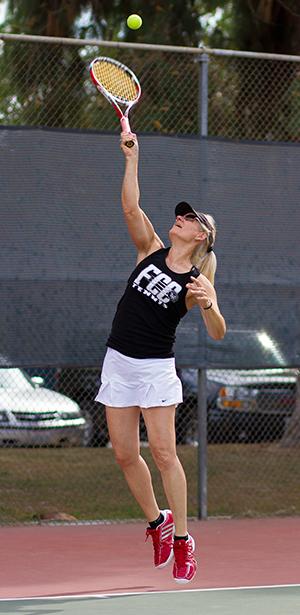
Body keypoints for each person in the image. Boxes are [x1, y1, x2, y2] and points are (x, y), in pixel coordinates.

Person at [95, 131, 226, 584]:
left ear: (202, 237)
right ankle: (158, 522)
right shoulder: (150, 249)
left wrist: (209, 302)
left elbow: (218, 331)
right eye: (181, 214)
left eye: (189, 219)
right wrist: (132, 160)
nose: (180, 219)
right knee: (125, 455)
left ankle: (184, 541)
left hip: (154, 369)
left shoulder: (195, 281)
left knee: (166, 454)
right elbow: (131, 208)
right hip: (119, 361)